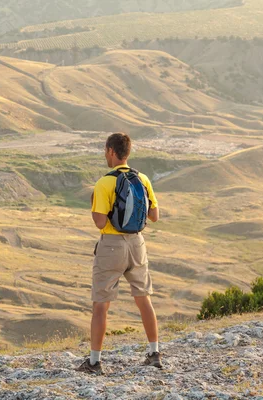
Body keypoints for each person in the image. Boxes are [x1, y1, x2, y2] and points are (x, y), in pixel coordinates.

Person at [76, 132, 162, 375]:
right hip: (137, 244)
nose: (105, 155)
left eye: (105, 151)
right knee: (144, 298)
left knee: (101, 304)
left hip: (111, 245)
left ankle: (94, 362)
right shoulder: (142, 179)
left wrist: (95, 201)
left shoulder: (105, 183)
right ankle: (154, 353)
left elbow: (100, 222)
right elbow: (154, 216)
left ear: (111, 151)